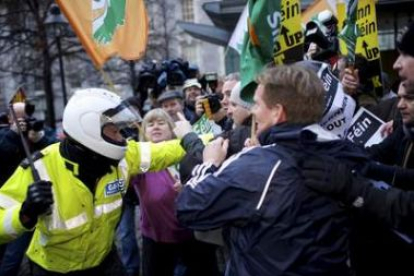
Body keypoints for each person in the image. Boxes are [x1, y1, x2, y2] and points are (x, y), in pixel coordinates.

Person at [176, 65, 367, 276]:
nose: (252, 111)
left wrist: (209, 164)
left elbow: (189, 206)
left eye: (257, 104)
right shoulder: (348, 153)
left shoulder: (257, 165)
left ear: (277, 111)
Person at [0, 88, 188, 275]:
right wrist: (25, 213)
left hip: (105, 261)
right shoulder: (39, 168)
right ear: (89, 131)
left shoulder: (125, 155)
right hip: (53, 269)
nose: (122, 138)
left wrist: (204, 140)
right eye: (115, 131)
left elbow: (165, 151)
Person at [132, 108, 219, 276]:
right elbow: (131, 176)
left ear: (172, 129)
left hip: (191, 234)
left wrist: (188, 187)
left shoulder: (186, 152)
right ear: (144, 131)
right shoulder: (142, 159)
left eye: (161, 123)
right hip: (156, 236)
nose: (155, 126)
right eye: (150, 124)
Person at [0, 102, 57, 276]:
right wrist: (13, 134)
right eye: (19, 116)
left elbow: (58, 151)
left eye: (26, 116)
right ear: (10, 118)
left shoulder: (39, 131)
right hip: (16, 205)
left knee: (42, 255)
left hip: (45, 200)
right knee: (12, 258)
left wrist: (40, 139)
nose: (24, 120)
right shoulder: (4, 135)